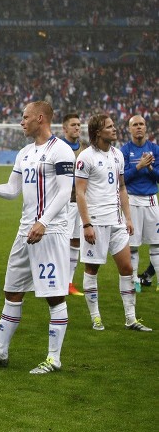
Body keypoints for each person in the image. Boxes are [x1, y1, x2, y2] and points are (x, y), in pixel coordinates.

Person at [0, 101, 74, 375]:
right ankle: (0, 353)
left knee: (53, 296)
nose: (21, 122)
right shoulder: (24, 153)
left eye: (25, 117)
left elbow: (65, 192)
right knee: (11, 292)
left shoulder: (62, 150)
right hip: (24, 232)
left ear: (40, 118)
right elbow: (13, 190)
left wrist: (43, 221)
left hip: (49, 233)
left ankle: (54, 359)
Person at [75, 114, 151, 332]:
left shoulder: (118, 155)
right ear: (98, 132)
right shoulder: (85, 157)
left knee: (127, 268)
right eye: (109, 127)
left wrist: (127, 217)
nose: (114, 129)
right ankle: (96, 317)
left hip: (116, 221)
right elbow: (80, 193)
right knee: (92, 269)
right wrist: (86, 224)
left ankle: (131, 318)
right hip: (96, 222)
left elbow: (122, 188)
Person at [120, 115, 159, 289]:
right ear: (129, 129)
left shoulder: (155, 149)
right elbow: (123, 180)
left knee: (156, 244)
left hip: (151, 201)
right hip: (132, 202)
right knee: (133, 245)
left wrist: (150, 167)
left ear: (146, 127)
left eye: (141, 124)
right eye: (135, 125)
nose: (139, 127)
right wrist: (139, 165)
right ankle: (134, 283)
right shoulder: (124, 151)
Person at [61, 113, 88, 296]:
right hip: (63, 204)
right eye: (73, 125)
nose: (77, 127)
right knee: (60, 242)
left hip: (79, 203)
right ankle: (57, 279)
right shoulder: (59, 148)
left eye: (79, 125)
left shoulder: (84, 150)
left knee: (76, 242)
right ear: (65, 128)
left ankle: (69, 282)